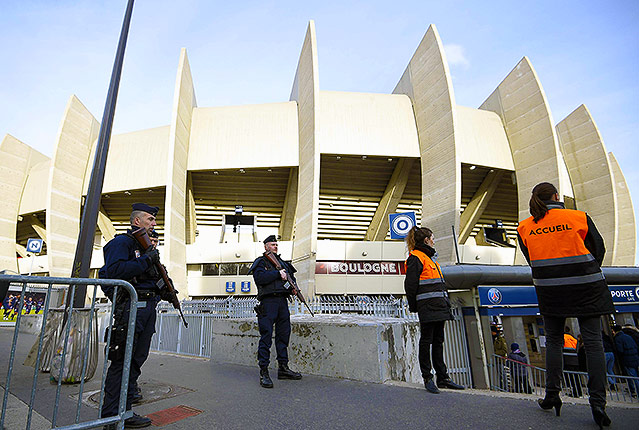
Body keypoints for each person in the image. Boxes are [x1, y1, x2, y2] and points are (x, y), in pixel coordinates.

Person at [517, 182, 613, 428]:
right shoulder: (577, 217)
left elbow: (531, 259)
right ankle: (598, 404)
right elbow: (598, 250)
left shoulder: (525, 227)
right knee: (593, 342)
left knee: (554, 340)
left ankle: (552, 395)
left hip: (551, 290)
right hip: (587, 285)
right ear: (556, 196)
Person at [99, 203, 173, 429]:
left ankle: (125, 410)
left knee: (136, 361)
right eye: (150, 219)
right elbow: (114, 272)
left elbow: (150, 278)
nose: (154, 223)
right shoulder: (122, 243)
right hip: (132, 308)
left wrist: (167, 291)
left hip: (147, 308)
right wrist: (146, 260)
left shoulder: (147, 248)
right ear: (137, 221)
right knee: (123, 361)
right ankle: (112, 416)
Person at [404, 226, 465, 394]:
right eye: (433, 238)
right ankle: (428, 377)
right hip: (428, 307)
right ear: (426, 240)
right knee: (426, 341)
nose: (434, 241)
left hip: (439, 306)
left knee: (438, 341)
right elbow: (410, 284)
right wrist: (414, 306)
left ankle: (443, 378)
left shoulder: (431, 259)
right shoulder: (416, 257)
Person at [249, 235, 302, 388]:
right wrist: (277, 274)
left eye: (276, 245)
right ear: (265, 246)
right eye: (272, 245)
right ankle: (264, 372)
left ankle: (283, 368)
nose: (275, 247)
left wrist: (294, 289)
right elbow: (259, 278)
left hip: (282, 303)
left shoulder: (284, 263)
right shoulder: (261, 262)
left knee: (283, 335)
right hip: (268, 302)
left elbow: (292, 277)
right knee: (266, 337)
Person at [612, 325, 639, 398]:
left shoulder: (618, 338)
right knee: (635, 375)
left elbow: (620, 350)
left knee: (632, 376)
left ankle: (634, 390)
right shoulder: (628, 336)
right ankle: (633, 390)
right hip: (635, 357)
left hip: (627, 359)